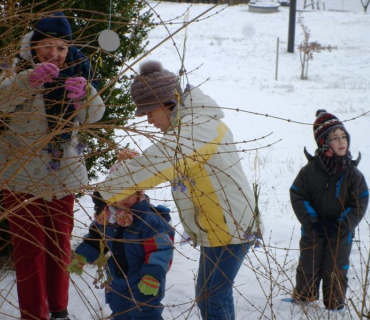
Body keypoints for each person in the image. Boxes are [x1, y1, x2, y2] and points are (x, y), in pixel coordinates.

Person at [96, 60, 264, 320]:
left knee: (211, 296)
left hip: (229, 226)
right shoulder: (192, 126)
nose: (149, 121)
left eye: (149, 112)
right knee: (214, 293)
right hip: (221, 225)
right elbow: (167, 163)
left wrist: (107, 190)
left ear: (167, 104)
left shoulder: (197, 129)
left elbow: (159, 164)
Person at [0, 12, 105, 320]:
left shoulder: (78, 71)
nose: (54, 54)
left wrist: (85, 96)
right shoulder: (16, 71)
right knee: (29, 250)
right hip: (20, 178)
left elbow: (94, 117)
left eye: (60, 47)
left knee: (59, 246)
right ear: (34, 47)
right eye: (47, 45)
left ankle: (59, 309)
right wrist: (28, 83)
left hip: (63, 177)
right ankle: (33, 314)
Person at [290, 110, 369, 310]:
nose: (342, 141)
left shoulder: (353, 175)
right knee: (309, 262)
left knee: (336, 267)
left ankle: (335, 305)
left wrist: (343, 224)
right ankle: (303, 300)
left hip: (340, 231)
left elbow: (359, 201)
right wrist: (312, 220)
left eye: (344, 136)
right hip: (314, 228)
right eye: (334, 138)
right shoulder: (309, 172)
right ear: (324, 143)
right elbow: (298, 194)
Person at [68, 189, 174, 320]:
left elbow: (161, 249)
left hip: (144, 278)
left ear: (139, 194)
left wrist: (152, 275)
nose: (126, 198)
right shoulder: (106, 217)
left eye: (131, 193)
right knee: (119, 310)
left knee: (145, 312)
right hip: (117, 277)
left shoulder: (148, 220)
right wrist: (82, 256)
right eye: (120, 193)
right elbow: (97, 238)